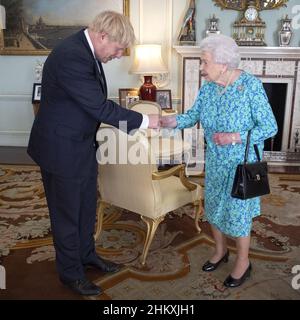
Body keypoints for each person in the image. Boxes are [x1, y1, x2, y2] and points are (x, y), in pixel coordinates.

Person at [27, 11, 159, 296]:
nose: (119, 54)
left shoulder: (87, 51)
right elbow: (99, 107)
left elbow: (92, 105)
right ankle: (71, 274)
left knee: (86, 206)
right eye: (118, 48)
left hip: (81, 145)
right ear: (102, 36)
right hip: (60, 150)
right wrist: (146, 120)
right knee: (67, 215)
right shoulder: (72, 56)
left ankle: (87, 256)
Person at [161, 34, 278, 288]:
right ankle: (220, 251)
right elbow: (193, 116)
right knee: (213, 208)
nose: (202, 68)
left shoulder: (249, 87)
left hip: (241, 165)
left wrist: (234, 137)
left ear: (223, 63)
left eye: (205, 62)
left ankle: (243, 261)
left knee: (238, 215)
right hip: (214, 162)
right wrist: (172, 121)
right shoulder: (209, 89)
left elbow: (270, 127)